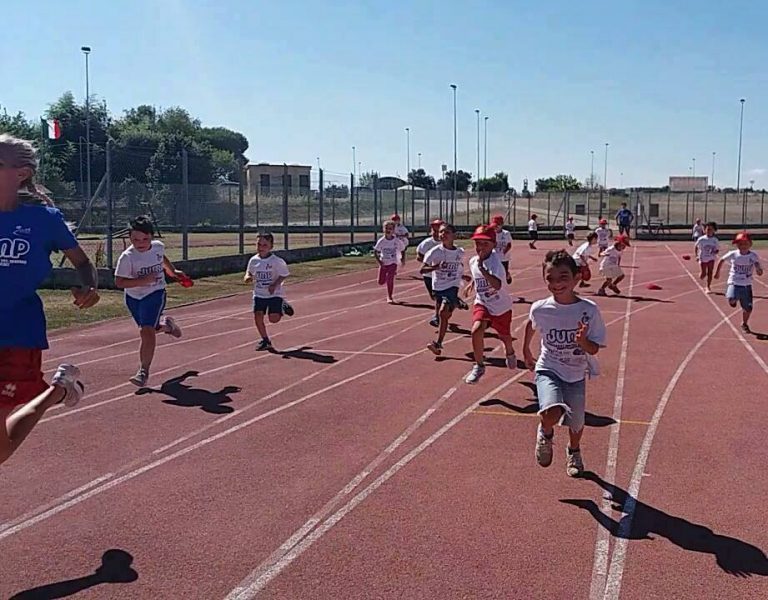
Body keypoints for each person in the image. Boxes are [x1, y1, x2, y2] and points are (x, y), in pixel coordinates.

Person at [0, 134, 99, 465]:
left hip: (16, 336)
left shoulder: (44, 221)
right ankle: (58, 390)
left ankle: (56, 391)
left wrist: (88, 287)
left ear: (22, 174)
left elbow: (83, 263)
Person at [523, 250, 606, 477]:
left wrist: (583, 341)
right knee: (550, 410)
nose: (556, 284)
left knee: (576, 422)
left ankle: (574, 451)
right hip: (548, 367)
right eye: (550, 278)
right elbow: (531, 324)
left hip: (576, 373)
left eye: (563, 277)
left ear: (576, 277)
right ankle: (546, 434)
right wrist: (526, 350)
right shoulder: (540, 308)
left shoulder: (588, 310)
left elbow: (595, 348)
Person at [114, 216, 187, 386]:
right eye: (136, 239)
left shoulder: (157, 247)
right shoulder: (127, 257)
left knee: (146, 331)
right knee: (150, 329)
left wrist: (173, 271)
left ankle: (143, 371)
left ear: (152, 237)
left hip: (155, 293)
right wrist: (142, 281)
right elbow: (119, 282)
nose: (141, 243)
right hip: (133, 297)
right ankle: (168, 326)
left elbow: (161, 258)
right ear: (129, 238)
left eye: (145, 239)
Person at [465, 225, 517, 384]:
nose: (480, 247)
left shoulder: (496, 264)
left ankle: (510, 352)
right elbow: (476, 274)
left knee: (505, 337)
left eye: (485, 244)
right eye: (478, 243)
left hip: (501, 307)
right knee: (476, 330)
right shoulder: (473, 261)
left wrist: (483, 270)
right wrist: (472, 284)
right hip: (483, 303)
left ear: (493, 244)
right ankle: (479, 365)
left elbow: (497, 285)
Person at [244, 232, 295, 351]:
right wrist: (247, 277)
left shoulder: (277, 261)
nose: (261, 247)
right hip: (259, 293)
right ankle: (265, 340)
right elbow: (249, 272)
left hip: (274, 294)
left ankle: (282, 305)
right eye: (259, 244)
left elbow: (284, 275)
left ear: (271, 246)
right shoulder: (253, 260)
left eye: (265, 245)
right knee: (258, 316)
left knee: (274, 319)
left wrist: (274, 284)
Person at [422, 223, 464, 356]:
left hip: (452, 286)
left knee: (442, 312)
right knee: (445, 316)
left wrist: (464, 276)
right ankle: (456, 303)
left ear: (454, 235)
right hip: (438, 287)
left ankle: (438, 343)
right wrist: (436, 267)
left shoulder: (460, 252)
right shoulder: (435, 252)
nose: (443, 235)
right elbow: (422, 269)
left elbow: (459, 267)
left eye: (446, 232)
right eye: (441, 232)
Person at [714, 231, 763, 333]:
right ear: (737, 245)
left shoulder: (753, 256)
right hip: (734, 282)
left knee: (748, 308)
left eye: (745, 244)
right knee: (731, 298)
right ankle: (733, 300)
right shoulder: (733, 254)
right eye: (740, 244)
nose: (743, 246)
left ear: (750, 244)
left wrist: (759, 270)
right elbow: (722, 260)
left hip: (746, 285)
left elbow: (757, 264)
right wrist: (717, 272)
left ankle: (744, 323)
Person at [416, 219, 443, 315]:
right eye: (434, 231)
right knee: (433, 296)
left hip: (441, 275)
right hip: (428, 275)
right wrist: (429, 262)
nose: (436, 234)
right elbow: (419, 256)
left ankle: (437, 316)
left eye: (438, 231)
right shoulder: (426, 243)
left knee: (439, 296)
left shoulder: (446, 243)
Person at [374, 220, 404, 304]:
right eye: (386, 228)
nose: (388, 230)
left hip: (393, 262)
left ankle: (390, 296)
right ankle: (386, 277)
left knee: (390, 279)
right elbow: (375, 251)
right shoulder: (381, 241)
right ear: (383, 229)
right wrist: (380, 263)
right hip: (384, 263)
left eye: (390, 228)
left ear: (393, 230)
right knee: (381, 282)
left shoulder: (396, 241)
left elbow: (402, 249)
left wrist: (401, 259)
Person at [694, 221, 719, 293]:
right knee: (703, 274)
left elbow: (717, 250)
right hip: (703, 258)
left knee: (710, 272)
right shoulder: (702, 239)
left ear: (714, 230)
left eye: (711, 229)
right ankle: (702, 273)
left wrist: (714, 251)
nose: (709, 231)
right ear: (704, 230)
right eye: (707, 229)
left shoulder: (715, 240)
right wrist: (696, 256)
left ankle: (708, 287)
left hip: (711, 258)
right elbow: (696, 247)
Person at [491, 214, 513, 284]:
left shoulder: (506, 233)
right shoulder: (492, 234)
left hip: (504, 258)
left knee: (504, 272)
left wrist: (504, 251)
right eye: (495, 225)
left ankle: (507, 275)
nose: (496, 227)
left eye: (498, 225)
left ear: (501, 224)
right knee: (495, 272)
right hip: (495, 257)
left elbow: (509, 244)